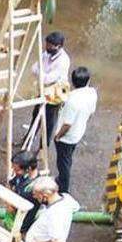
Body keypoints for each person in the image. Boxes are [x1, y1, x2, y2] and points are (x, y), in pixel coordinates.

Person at [54, 66, 97, 195]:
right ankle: (62, 179)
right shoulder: (92, 93)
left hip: (67, 137)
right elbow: (91, 113)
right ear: (88, 81)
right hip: (78, 132)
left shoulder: (72, 101)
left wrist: (58, 136)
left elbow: (67, 124)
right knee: (67, 158)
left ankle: (63, 188)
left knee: (63, 163)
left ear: (73, 82)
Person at [30, 31, 72, 145]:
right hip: (44, 90)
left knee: (48, 122)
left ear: (59, 46)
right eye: (47, 44)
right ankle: (30, 138)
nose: (47, 47)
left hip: (55, 94)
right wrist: (42, 74)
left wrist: (40, 73)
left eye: (50, 46)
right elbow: (33, 68)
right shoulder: (46, 54)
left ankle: (43, 147)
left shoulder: (63, 60)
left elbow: (48, 78)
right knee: (36, 115)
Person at [7, 150, 41, 234]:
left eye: (17, 170)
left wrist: (12, 205)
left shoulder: (36, 188)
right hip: (13, 212)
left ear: (28, 169)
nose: (14, 172)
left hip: (23, 220)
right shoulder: (21, 176)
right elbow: (12, 183)